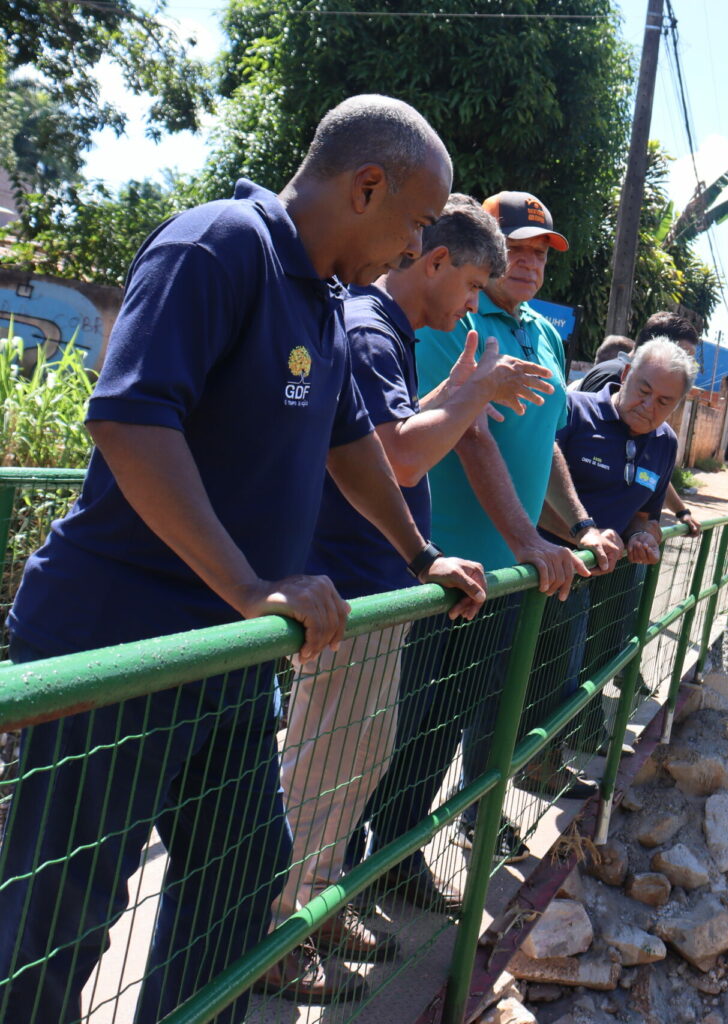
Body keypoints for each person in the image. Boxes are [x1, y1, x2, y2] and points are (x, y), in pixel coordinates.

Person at [0, 95, 488, 1024]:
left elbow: (354, 451)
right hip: (124, 645)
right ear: (366, 186)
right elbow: (130, 421)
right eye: (417, 221)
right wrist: (253, 584)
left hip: (228, 646)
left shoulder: (327, 301)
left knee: (245, 869)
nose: (413, 245)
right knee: (63, 921)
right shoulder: (220, 246)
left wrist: (421, 554)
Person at [267, 195, 553, 999]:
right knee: (321, 764)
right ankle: (277, 928)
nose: (470, 305)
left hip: (371, 589)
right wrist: (472, 397)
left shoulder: (391, 334)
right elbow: (396, 461)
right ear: (434, 264)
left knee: (354, 762)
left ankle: (316, 904)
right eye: (468, 287)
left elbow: (389, 437)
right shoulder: (367, 329)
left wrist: (459, 396)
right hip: (347, 590)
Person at [352, 190, 622, 911]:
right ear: (485, 255)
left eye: (541, 253)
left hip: (501, 573)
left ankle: (399, 857)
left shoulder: (544, 334)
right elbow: (467, 432)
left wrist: (579, 525)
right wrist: (527, 538)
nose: (530, 263)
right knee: (397, 727)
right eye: (519, 249)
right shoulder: (457, 318)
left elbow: (546, 443)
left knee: (453, 722)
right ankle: (360, 869)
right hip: (442, 565)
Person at [539, 340, 696, 732]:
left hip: (598, 580)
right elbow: (531, 491)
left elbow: (645, 517)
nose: (649, 406)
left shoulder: (665, 444)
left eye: (664, 402)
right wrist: (583, 534)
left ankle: (552, 758)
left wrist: (643, 537)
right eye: (643, 391)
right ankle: (527, 771)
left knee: (576, 675)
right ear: (625, 375)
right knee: (525, 684)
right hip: (538, 571)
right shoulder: (574, 414)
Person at [579, 311, 702, 537]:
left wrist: (677, 512)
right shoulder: (609, 379)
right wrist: (584, 532)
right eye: (685, 354)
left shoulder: (663, 440)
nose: (687, 364)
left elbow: (649, 472)